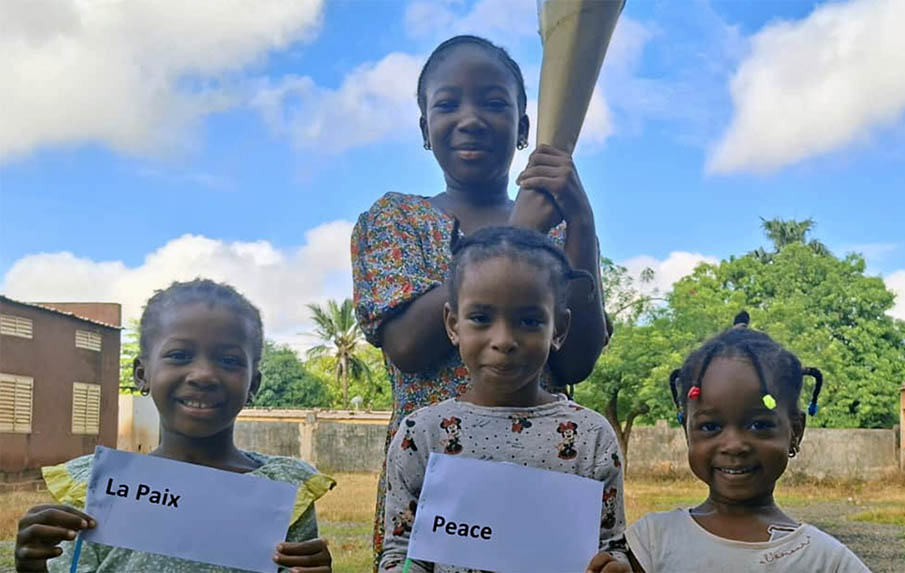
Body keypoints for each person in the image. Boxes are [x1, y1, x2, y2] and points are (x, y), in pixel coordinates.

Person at [351, 35, 610, 567]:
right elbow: (406, 347)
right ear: (425, 130)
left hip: (545, 474)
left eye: (494, 102)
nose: (470, 118)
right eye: (447, 104)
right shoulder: (397, 219)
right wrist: (516, 233)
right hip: (435, 478)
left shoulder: (559, 227)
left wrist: (582, 225)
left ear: (522, 129)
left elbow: (577, 359)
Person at [15, 279, 335, 573]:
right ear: (142, 374)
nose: (203, 375)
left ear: (254, 384)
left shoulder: (282, 492)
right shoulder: (99, 486)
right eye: (179, 355)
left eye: (229, 360)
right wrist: (33, 568)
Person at [379, 227, 625, 572]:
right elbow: (402, 552)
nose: (504, 340)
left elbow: (611, 546)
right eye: (480, 318)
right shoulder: (421, 435)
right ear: (453, 324)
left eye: (529, 320)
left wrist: (615, 565)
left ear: (559, 330)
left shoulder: (590, 437)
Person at [586, 312, 870, 573]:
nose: (734, 444)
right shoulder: (651, 542)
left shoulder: (826, 562)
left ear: (795, 431)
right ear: (687, 431)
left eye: (759, 424)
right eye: (710, 426)